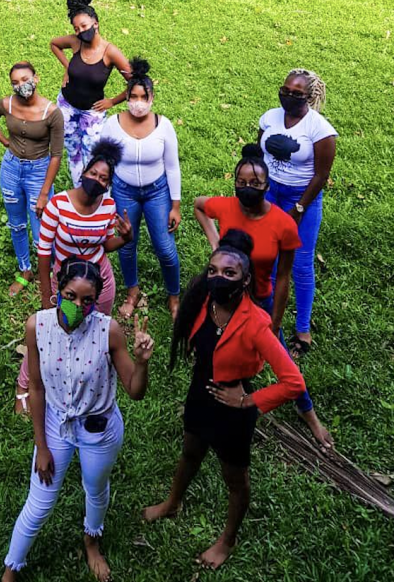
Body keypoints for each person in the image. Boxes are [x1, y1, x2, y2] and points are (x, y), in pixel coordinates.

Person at [142, 231, 306, 570]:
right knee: (190, 451)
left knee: (235, 478)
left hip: (233, 408)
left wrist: (247, 400)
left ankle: (227, 541)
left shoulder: (257, 324)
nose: (218, 278)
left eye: (229, 273)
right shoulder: (205, 302)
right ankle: (172, 503)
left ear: (245, 280)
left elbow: (293, 382)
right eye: (213, 270)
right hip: (201, 391)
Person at [2, 258, 155, 582]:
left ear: (97, 301)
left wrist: (142, 363)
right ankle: (11, 569)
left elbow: (135, 391)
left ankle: (91, 541)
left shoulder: (108, 331)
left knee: (95, 489)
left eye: (87, 301)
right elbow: (36, 387)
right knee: (39, 504)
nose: (77, 306)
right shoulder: (37, 326)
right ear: (58, 289)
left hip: (99, 430)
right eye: (70, 296)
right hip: (56, 426)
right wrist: (42, 446)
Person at [194, 144, 333, 449]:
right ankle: (216, 401)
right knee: (217, 351)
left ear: (267, 186)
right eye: (241, 182)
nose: (247, 188)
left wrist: (275, 321)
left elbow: (283, 278)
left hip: (260, 301)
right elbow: (198, 205)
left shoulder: (283, 224)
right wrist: (215, 242)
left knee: (282, 358)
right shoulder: (226, 206)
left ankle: (308, 412)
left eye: (255, 183)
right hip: (225, 298)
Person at [13, 140, 131, 414]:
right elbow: (44, 251)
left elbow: (105, 244)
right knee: (48, 333)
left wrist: (126, 238)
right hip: (65, 283)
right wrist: (47, 294)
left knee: (94, 334)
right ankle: (23, 386)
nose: (97, 180)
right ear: (83, 172)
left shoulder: (108, 206)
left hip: (99, 283)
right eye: (93, 173)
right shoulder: (58, 204)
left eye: (104, 178)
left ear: (109, 184)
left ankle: (82, 381)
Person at [258, 69, 337, 356]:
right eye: (285, 90)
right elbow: (259, 154)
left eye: (296, 93)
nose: (288, 96)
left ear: (309, 96)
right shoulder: (269, 117)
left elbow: (321, 175)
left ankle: (302, 327)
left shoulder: (321, 130)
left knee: (301, 264)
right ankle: (268, 318)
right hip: (270, 194)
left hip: (302, 197)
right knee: (268, 257)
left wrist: (300, 207)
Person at [100, 58, 181, 320]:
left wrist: (175, 205)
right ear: (126, 97)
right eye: (133, 96)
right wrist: (106, 201)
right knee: (127, 245)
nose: (138, 102)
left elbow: (173, 167)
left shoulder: (163, 125)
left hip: (157, 192)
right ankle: (132, 291)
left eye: (143, 97)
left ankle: (174, 295)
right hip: (124, 191)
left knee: (165, 248)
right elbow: (104, 163)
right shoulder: (112, 124)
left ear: (151, 98)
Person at [0, 62, 64, 296]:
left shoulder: (52, 112)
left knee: (41, 230)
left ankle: (48, 273)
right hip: (11, 170)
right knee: (17, 224)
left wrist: (44, 192)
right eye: (15, 82)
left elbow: (56, 155)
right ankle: (25, 270)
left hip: (39, 173)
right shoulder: (7, 104)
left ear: (36, 78)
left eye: (25, 79)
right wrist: (5, 141)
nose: (21, 85)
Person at [51, 0, 132, 187]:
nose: (80, 31)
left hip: (92, 113)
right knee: (73, 152)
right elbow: (54, 44)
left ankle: (98, 193)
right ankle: (79, 188)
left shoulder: (110, 52)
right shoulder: (75, 43)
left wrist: (112, 101)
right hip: (67, 107)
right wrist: (68, 67)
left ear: (96, 23)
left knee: (94, 156)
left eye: (84, 26)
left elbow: (136, 82)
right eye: (76, 29)